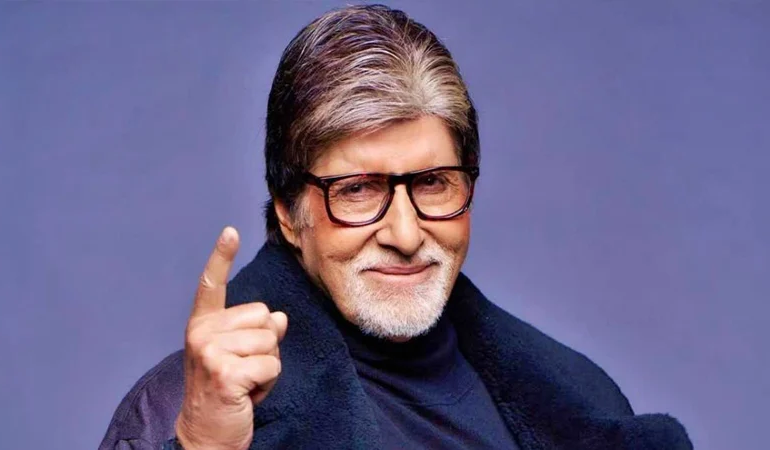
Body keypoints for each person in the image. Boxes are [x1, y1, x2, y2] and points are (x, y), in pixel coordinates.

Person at [101, 5, 692, 450]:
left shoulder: (584, 397)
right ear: (288, 213)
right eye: (358, 190)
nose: (406, 236)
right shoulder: (185, 411)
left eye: (433, 182)